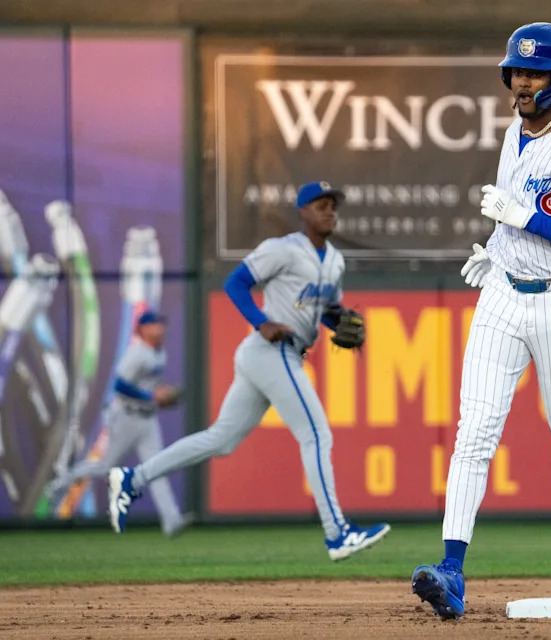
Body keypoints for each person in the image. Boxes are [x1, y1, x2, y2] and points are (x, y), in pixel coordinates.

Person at [411, 23, 551, 619]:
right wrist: (496, 244)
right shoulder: (514, 132)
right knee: (474, 433)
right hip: (504, 295)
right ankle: (452, 571)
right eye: (516, 72)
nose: (521, 84)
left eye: (533, 73)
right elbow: (511, 212)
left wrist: (527, 217)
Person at [108, 182, 389, 560]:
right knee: (317, 435)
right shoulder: (283, 249)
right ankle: (337, 533)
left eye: (333, 205)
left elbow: (329, 310)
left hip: (277, 354)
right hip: (272, 350)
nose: (330, 211)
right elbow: (236, 282)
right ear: (303, 211)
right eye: (321, 205)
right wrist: (261, 321)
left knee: (220, 440)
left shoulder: (335, 261)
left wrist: (340, 324)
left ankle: (132, 479)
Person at [45, 310, 188, 537]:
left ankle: (171, 520)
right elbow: (120, 386)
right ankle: (60, 483)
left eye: (161, 324)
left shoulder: (159, 353)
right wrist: (151, 397)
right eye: (155, 324)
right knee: (104, 467)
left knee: (157, 467)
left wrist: (161, 396)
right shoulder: (137, 353)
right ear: (143, 329)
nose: (161, 328)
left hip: (147, 419)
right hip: (126, 417)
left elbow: (150, 387)